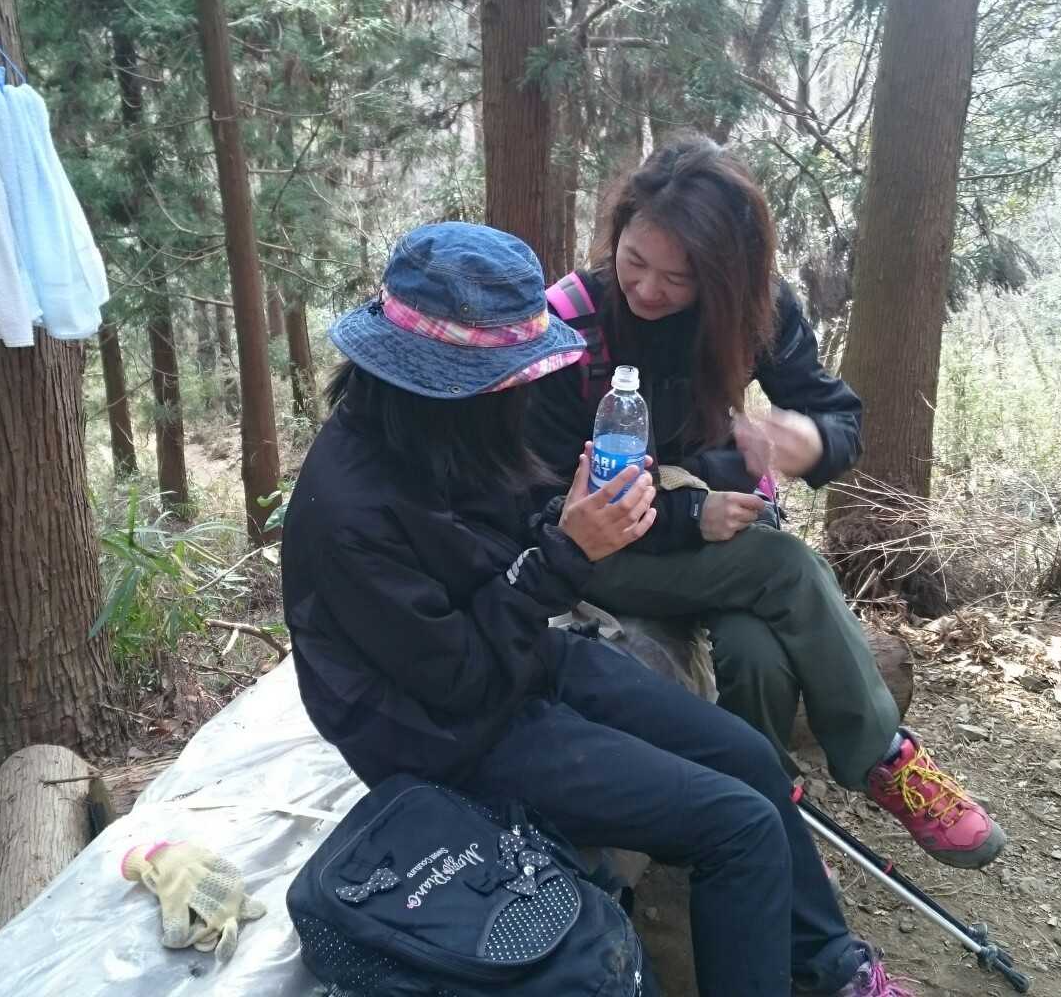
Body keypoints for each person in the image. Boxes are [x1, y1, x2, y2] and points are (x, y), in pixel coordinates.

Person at [282, 221, 913, 996]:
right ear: (439, 381)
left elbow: (516, 535)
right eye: (507, 378)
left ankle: (828, 965)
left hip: (521, 661)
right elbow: (458, 680)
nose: (521, 390)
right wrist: (565, 553)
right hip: (442, 732)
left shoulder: (448, 434)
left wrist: (575, 514)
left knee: (748, 757)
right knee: (737, 826)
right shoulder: (350, 511)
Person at [526, 135, 1007, 870]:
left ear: (726, 274)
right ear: (616, 234)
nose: (648, 290)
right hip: (605, 553)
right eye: (635, 261)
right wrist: (690, 516)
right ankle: (885, 758)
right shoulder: (571, 321)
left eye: (678, 278)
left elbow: (838, 419)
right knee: (786, 566)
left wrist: (810, 442)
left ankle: (762, 821)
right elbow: (542, 494)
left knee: (755, 655)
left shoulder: (758, 311)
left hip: (720, 543)